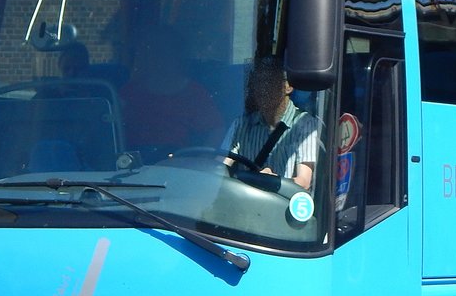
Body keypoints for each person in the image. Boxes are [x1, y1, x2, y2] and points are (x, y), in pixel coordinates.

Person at [119, 29, 223, 157]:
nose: (159, 59)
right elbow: (111, 129)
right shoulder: (130, 92)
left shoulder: (193, 93)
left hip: (175, 164)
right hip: (132, 163)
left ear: (178, 57)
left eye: (165, 53)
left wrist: (202, 160)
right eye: (154, 53)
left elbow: (216, 130)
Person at [223, 58, 319, 190]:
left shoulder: (304, 124)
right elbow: (220, 168)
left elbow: (304, 181)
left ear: (288, 87)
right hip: (243, 198)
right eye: (258, 83)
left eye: (269, 82)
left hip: (281, 200)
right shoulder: (241, 124)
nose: (262, 89)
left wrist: (272, 180)